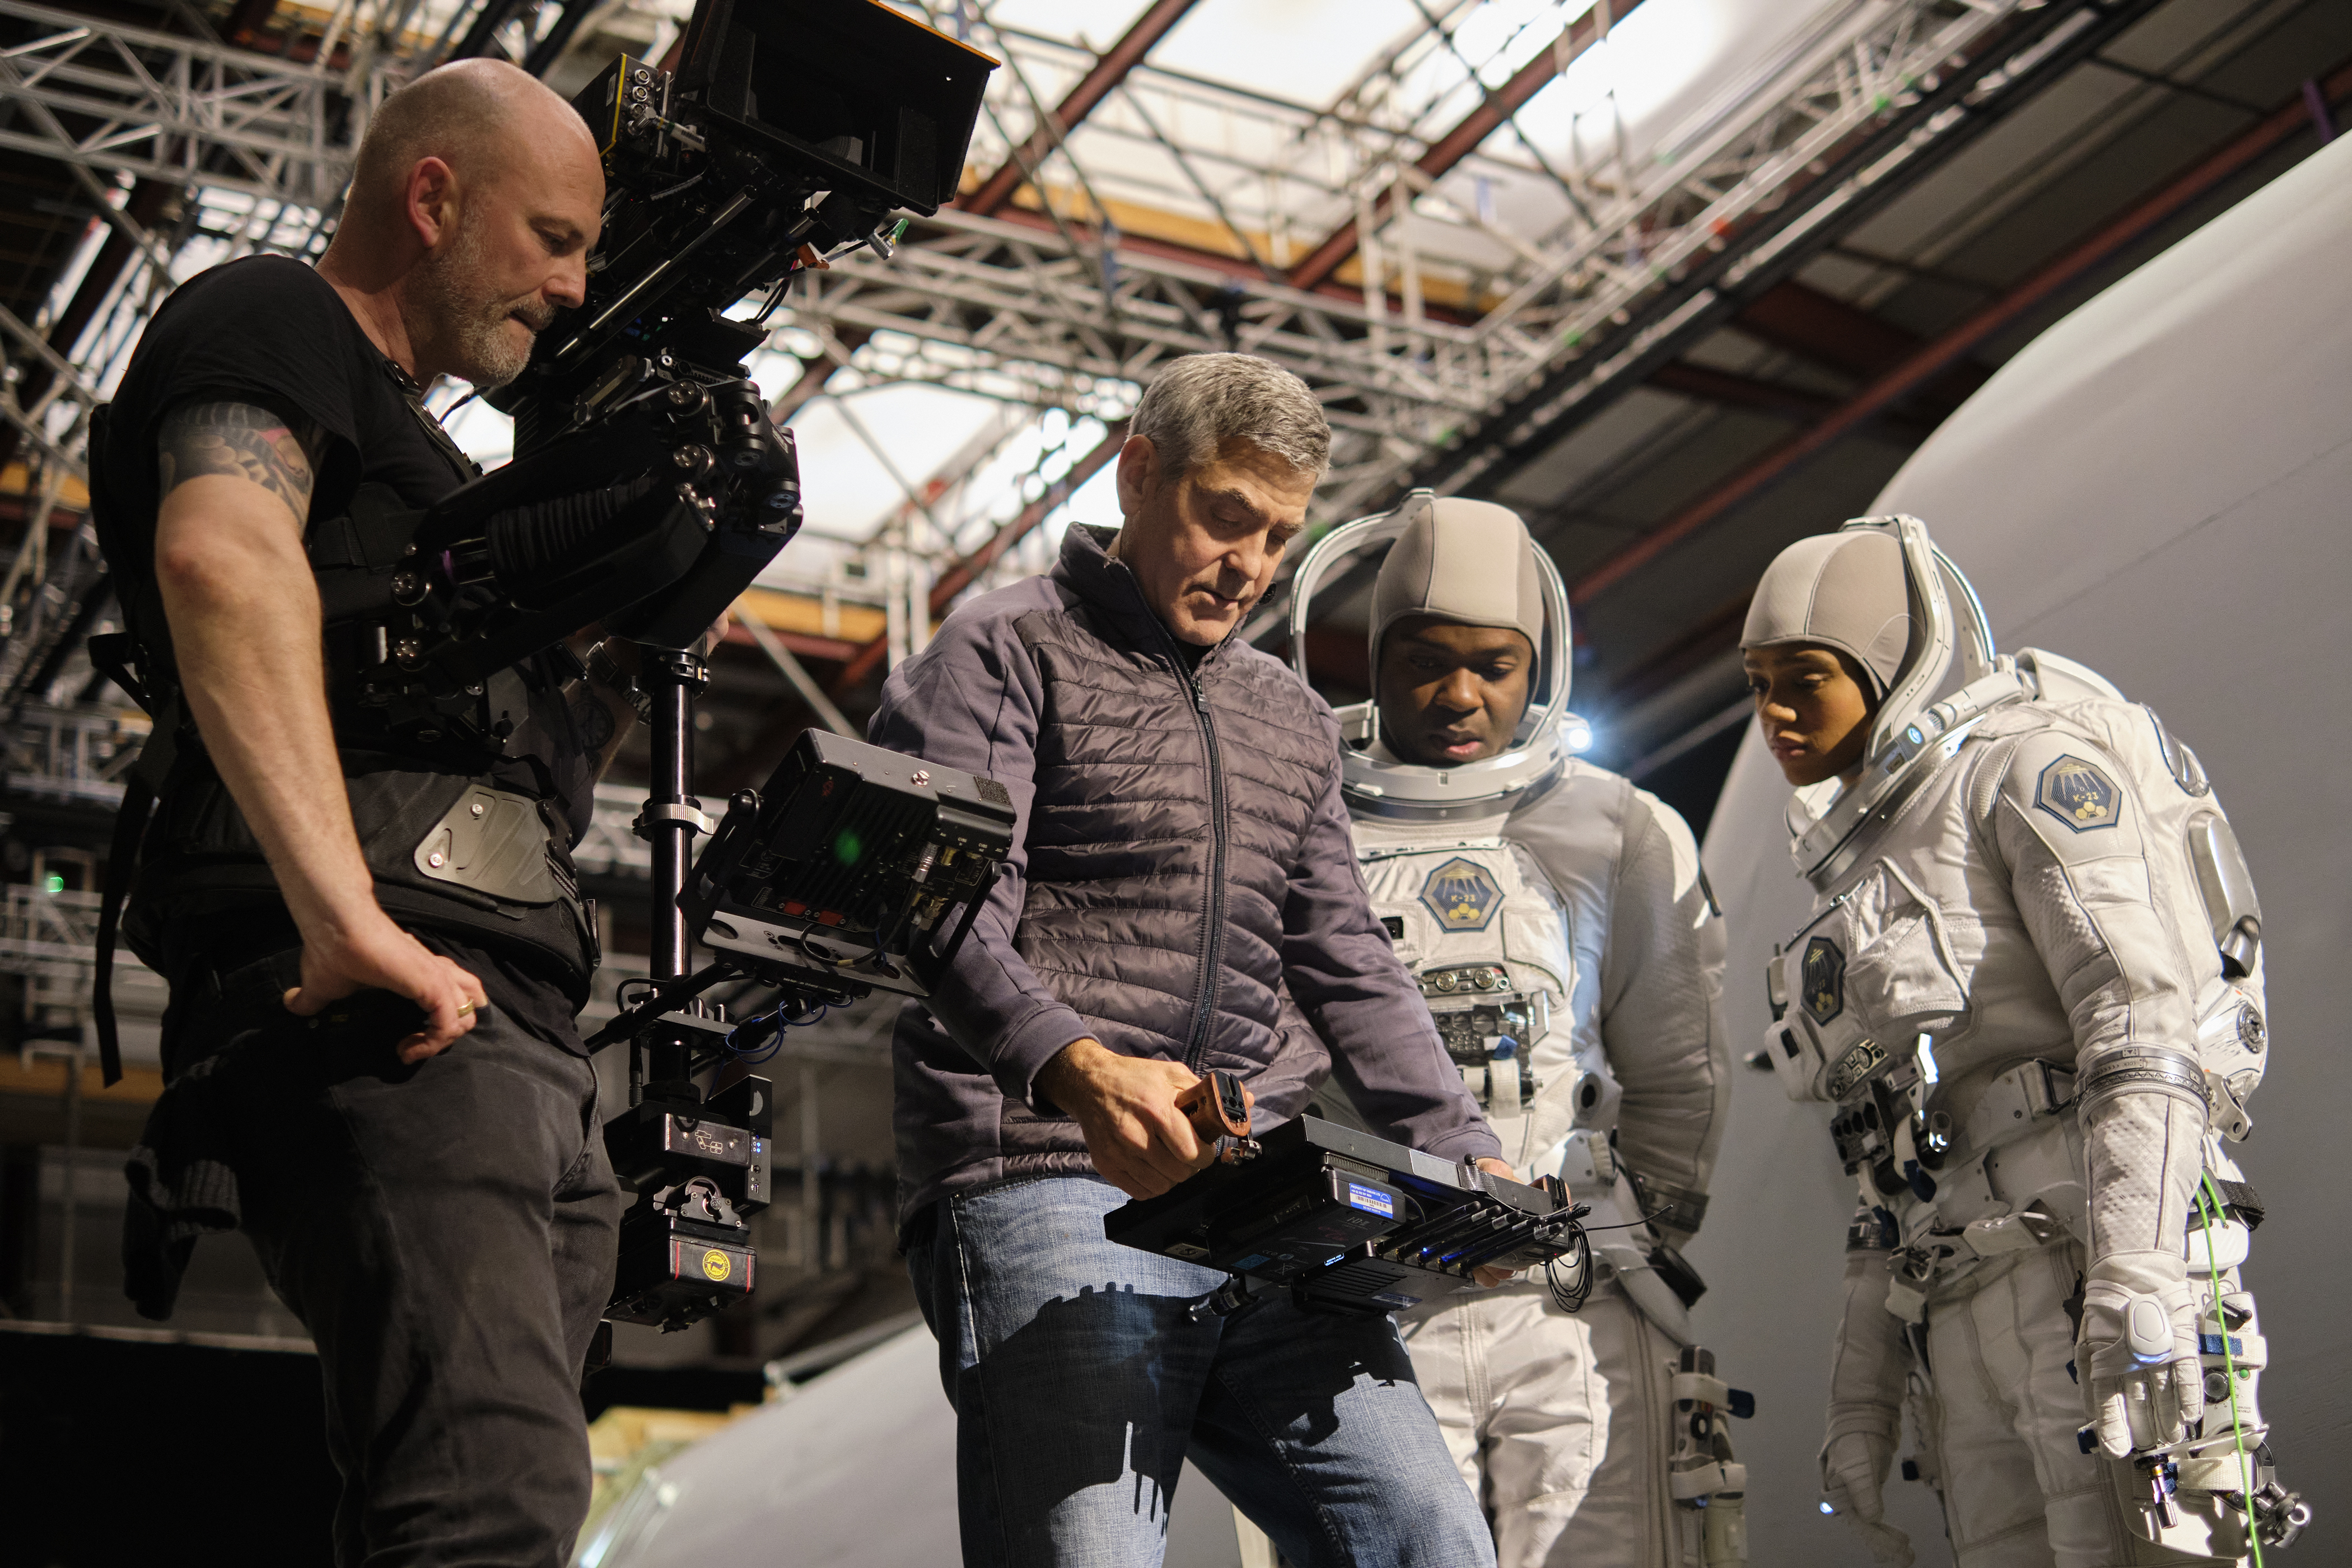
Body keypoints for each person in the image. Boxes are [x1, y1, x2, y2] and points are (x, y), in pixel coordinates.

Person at [99, 62, 647, 1566]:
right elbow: (220, 553)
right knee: (487, 1514)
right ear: (432, 198)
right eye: (551, 236)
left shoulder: (437, 469)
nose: (574, 285)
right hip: (387, 1003)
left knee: (497, 1494)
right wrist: (346, 918)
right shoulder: (274, 313)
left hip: (508, 1022)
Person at [870, 353, 1511, 1568]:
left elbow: (1344, 953)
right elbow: (939, 904)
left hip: (1255, 1193)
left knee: (1434, 1538)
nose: (1252, 564)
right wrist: (1073, 1066)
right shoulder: (1001, 650)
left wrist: (1460, 1146)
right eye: (1228, 517)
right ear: (1138, 473)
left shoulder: (1290, 716)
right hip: (1044, 1168)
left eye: (1279, 535)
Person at [1742, 516, 2300, 1567]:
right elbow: (1884, 1152)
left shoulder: (2025, 769)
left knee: (2147, 1545)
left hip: (2089, 1234)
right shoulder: (1863, 868)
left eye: (1803, 679)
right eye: (1756, 682)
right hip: (1957, 1281)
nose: (1772, 713)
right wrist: (1860, 1397)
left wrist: (2137, 1272)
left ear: (1893, 668)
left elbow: (2139, 1017)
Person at [1287, 496, 1742, 1567]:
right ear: (1370, 659)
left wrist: (1640, 1236)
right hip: (1375, 1298)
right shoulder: (1300, 821)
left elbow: (1679, 1066)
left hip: (1571, 1293)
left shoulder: (1614, 828)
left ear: (1541, 669)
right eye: (1427, 662)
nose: (1460, 695)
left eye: (1495, 666)